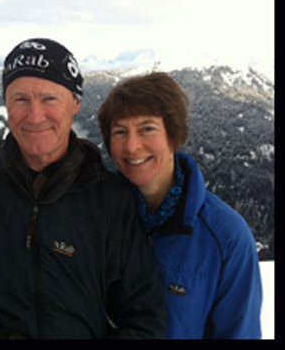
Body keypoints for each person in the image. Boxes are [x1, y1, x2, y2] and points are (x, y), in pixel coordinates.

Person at [0, 38, 165, 339]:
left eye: (49, 99)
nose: (35, 115)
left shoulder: (111, 200)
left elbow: (145, 320)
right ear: (6, 103)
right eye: (20, 99)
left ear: (76, 103)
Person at [97, 72, 262, 339]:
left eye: (147, 129)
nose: (131, 146)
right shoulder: (96, 217)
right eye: (119, 132)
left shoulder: (225, 237)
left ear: (174, 135)